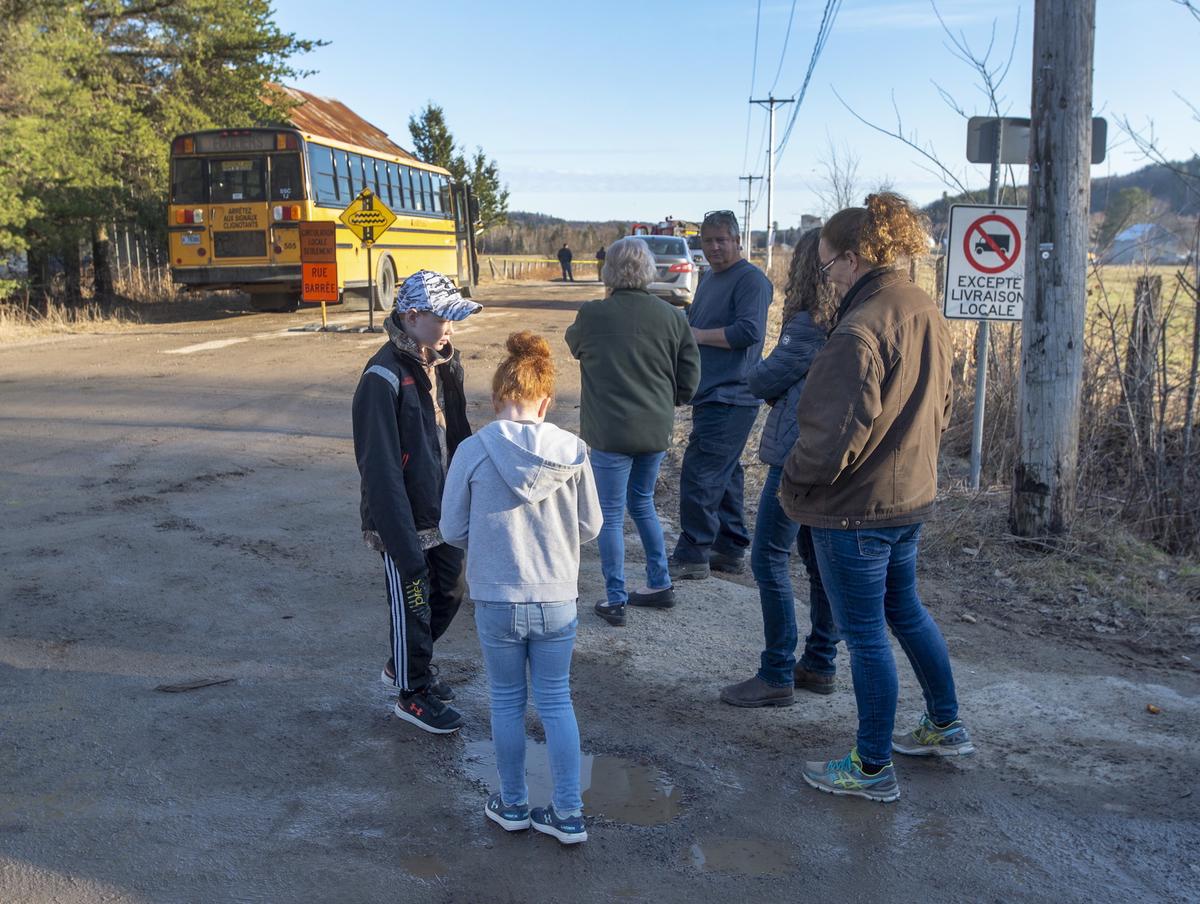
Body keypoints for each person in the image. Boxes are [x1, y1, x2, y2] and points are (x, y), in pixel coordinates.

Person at [779, 193, 975, 803]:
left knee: (865, 636)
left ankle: (871, 767)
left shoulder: (857, 330)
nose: (828, 276)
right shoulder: (922, 306)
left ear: (858, 258)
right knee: (905, 612)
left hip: (854, 509)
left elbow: (832, 437)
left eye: (831, 264)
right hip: (909, 496)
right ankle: (945, 725)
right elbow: (944, 407)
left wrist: (794, 482)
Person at [440, 332, 602, 845]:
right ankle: (569, 814)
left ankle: (511, 803)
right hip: (556, 597)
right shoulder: (574, 450)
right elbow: (591, 525)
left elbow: (450, 530)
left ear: (495, 399)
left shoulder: (472, 449)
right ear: (546, 402)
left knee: (506, 701)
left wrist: (488, 543)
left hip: (496, 597)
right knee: (556, 701)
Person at [351, 270, 482, 735]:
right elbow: (380, 469)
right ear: (412, 316)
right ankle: (413, 692)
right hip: (402, 517)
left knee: (449, 591)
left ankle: (406, 664)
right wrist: (400, 542)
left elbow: (459, 436)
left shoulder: (444, 360)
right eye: (444, 318)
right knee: (413, 600)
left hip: (443, 507)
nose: (451, 327)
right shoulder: (382, 377)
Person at [720, 229, 842, 707]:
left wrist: (766, 382)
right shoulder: (847, 317)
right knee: (816, 562)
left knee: (769, 557)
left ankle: (776, 672)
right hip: (829, 455)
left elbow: (764, 376)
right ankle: (820, 662)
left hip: (795, 455)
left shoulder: (808, 323)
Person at [565, 237, 700, 627]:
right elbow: (690, 376)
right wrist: (670, 399)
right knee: (642, 504)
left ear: (609, 269)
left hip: (609, 431)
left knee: (609, 513)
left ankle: (615, 597)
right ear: (649, 269)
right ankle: (659, 583)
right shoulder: (673, 316)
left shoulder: (593, 314)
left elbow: (575, 346)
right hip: (654, 429)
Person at [668, 209, 774, 580]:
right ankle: (729, 548)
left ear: (737, 241)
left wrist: (696, 334)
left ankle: (693, 554)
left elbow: (748, 332)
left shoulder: (751, 281)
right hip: (710, 391)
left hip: (734, 394)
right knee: (725, 473)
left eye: (721, 240)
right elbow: (695, 323)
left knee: (701, 472)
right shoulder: (712, 278)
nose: (713, 247)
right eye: (707, 241)